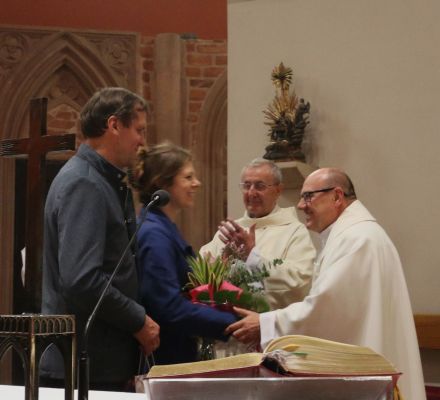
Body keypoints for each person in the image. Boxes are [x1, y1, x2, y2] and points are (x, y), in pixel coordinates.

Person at [225, 168, 426, 400]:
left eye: (308, 196)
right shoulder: (352, 234)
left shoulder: (358, 239)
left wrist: (266, 323)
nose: (301, 205)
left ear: (337, 196)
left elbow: (328, 309)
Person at [41, 87, 160, 390]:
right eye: (139, 130)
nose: (142, 141)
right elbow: (82, 278)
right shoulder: (85, 183)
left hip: (96, 362)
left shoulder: (102, 181)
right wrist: (137, 320)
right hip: (85, 365)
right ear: (114, 125)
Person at [131, 142, 238, 364]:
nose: (196, 183)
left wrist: (233, 300)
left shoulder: (161, 227)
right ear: (162, 183)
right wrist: (232, 323)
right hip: (166, 355)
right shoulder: (154, 234)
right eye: (188, 177)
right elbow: (168, 307)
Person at [200, 158, 316, 310]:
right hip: (226, 324)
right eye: (247, 186)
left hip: (269, 326)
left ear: (278, 190)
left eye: (260, 186)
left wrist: (253, 256)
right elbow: (202, 273)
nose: (252, 192)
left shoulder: (294, 232)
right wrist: (222, 262)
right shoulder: (231, 231)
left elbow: (300, 282)